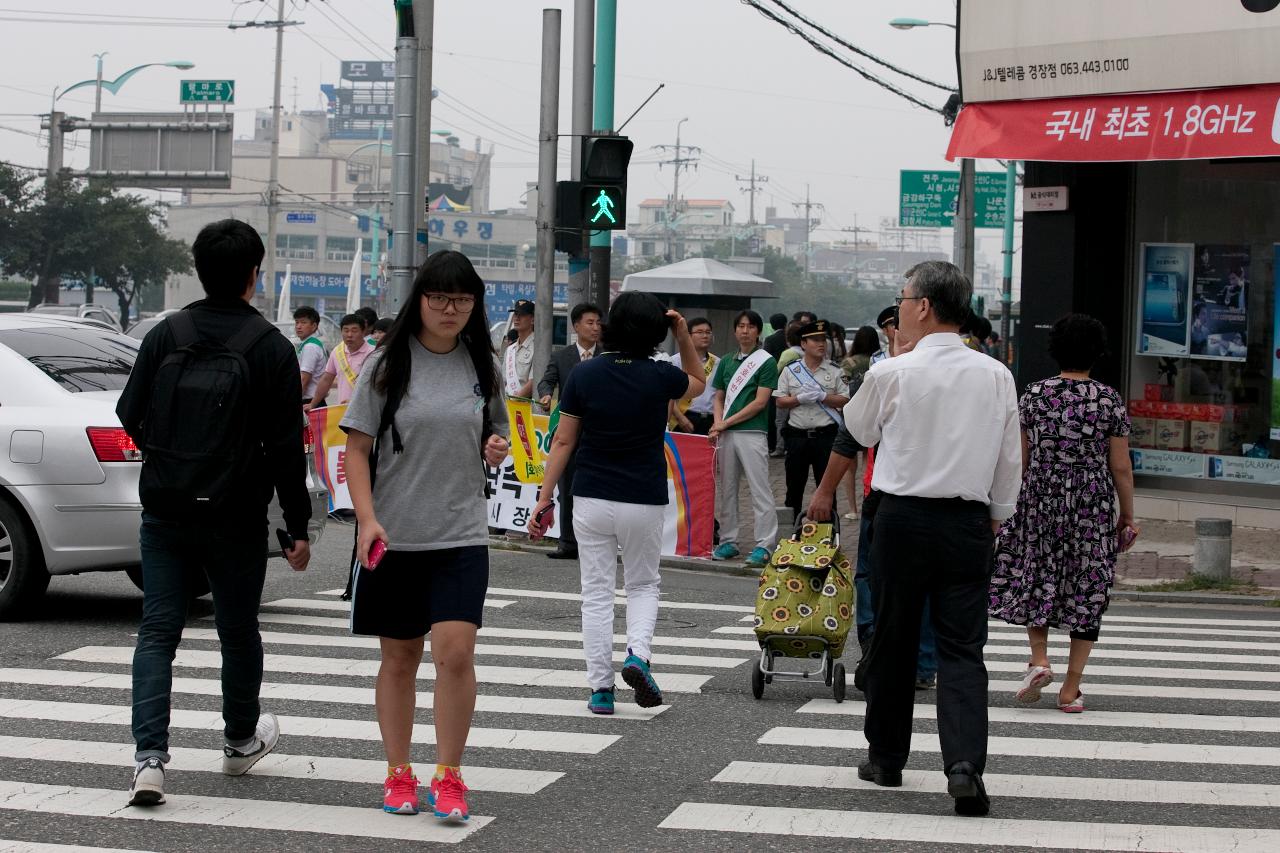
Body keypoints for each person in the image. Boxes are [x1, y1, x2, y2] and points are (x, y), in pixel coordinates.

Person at [116, 219, 312, 807]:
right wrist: (296, 529)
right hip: (236, 514)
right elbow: (284, 447)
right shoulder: (272, 347)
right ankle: (238, 742)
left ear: (198, 270)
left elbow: (130, 414)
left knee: (157, 632)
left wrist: (173, 457)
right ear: (255, 274)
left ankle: (149, 760)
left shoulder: (165, 334)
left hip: (166, 510)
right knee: (237, 630)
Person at [843, 260, 1020, 817]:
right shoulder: (995, 373)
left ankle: (887, 758)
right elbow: (1010, 455)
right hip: (967, 522)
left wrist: (892, 363)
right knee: (963, 648)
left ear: (921, 307)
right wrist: (997, 513)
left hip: (901, 519)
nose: (898, 310)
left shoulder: (894, 372)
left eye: (902, 299)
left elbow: (858, 430)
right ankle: (964, 765)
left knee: (893, 641)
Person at [341, 250, 510, 822]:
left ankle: (450, 775)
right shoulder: (388, 363)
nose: (450, 309)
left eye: (462, 299)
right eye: (438, 297)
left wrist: (495, 446)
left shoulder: (482, 364)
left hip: (461, 533)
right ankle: (398, 772)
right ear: (420, 299)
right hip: (394, 534)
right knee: (400, 656)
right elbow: (357, 449)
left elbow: (497, 432)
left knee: (456, 654)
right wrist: (367, 519)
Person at [528, 293, 705, 714]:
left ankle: (600, 690)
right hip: (642, 496)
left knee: (596, 593)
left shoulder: (585, 375)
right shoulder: (662, 375)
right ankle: (637, 656)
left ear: (611, 326)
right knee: (643, 584)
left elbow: (565, 440)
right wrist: (683, 337)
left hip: (590, 493)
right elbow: (697, 384)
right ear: (656, 330)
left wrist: (544, 496)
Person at [989, 314, 1136, 714]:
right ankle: (1070, 689)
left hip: (1039, 496)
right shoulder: (1108, 400)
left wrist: (1005, 503)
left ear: (1054, 349)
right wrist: (1128, 515)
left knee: (1037, 572)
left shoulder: (1034, 395)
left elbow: (1019, 458)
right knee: (1089, 584)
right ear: (1097, 352)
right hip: (1092, 502)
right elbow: (1120, 467)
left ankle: (1039, 659)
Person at [710, 309, 780, 569]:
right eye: (740, 326)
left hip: (752, 432)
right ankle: (729, 540)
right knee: (727, 488)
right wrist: (719, 423)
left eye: (750, 326)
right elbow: (718, 395)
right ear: (735, 330)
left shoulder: (766, 362)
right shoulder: (727, 361)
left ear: (758, 331)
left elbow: (760, 402)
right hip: (727, 433)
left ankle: (765, 545)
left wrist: (724, 422)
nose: (745, 330)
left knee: (759, 488)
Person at [535, 303, 604, 560]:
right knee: (566, 487)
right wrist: (545, 395)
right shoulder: (561, 356)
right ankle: (567, 543)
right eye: (590, 322)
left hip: (598, 432)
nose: (595, 327)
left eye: (598, 322)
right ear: (576, 326)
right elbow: (547, 380)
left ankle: (595, 544)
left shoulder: (607, 355)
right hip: (567, 432)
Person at [775, 320, 850, 523]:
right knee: (794, 489)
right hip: (797, 436)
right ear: (803, 344)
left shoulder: (835, 371)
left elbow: (845, 399)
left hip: (825, 437)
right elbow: (780, 401)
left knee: (827, 490)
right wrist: (798, 399)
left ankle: (828, 537)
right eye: (815, 340)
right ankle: (791, 536)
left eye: (823, 340)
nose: (821, 344)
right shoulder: (791, 370)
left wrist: (823, 396)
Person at [839, 325, 881, 520]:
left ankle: (853, 509)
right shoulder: (877, 362)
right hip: (871, 415)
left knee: (849, 466)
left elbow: (842, 388)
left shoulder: (849, 362)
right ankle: (868, 501)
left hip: (850, 415)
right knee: (868, 462)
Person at [306, 313, 375, 410]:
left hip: (366, 411)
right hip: (342, 411)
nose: (349, 335)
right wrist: (313, 404)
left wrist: (356, 401)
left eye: (354, 331)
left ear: (363, 332)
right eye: (346, 330)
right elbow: (326, 380)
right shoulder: (337, 352)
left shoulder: (373, 354)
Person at [669, 317, 719, 435]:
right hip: (682, 419)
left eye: (708, 332)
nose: (705, 336)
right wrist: (681, 418)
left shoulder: (718, 363)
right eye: (700, 332)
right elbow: (668, 394)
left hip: (709, 421)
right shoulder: (675, 361)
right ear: (689, 336)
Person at [763, 312, 789, 455]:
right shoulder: (789, 338)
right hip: (792, 378)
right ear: (785, 324)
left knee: (773, 413)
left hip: (775, 379)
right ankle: (785, 444)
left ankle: (773, 444)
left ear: (772, 326)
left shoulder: (770, 339)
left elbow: (766, 359)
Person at [293, 306, 327, 404]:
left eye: (303, 322)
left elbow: (304, 379)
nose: (298, 326)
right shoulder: (313, 343)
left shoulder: (310, 346)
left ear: (314, 326)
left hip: (309, 401)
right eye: (297, 322)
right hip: (315, 400)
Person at [504, 298, 536, 399]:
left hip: (523, 406)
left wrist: (513, 400)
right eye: (515, 314)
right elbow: (503, 380)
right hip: (507, 404)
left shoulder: (538, 348)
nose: (517, 318)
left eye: (522, 315)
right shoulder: (510, 349)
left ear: (533, 319)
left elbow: (533, 382)